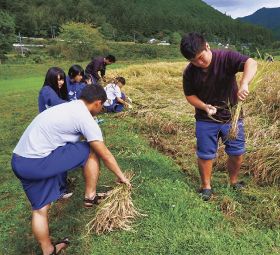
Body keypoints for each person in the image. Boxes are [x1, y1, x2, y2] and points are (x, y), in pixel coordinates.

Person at [11, 85, 131, 255]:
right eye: (102, 106)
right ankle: (90, 196)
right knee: (90, 149)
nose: (102, 109)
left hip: (19, 161)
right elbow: (105, 154)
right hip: (37, 162)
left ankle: (48, 251)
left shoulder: (67, 106)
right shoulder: (85, 119)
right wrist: (121, 176)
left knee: (39, 210)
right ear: (97, 103)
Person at [180, 32, 257, 201]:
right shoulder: (190, 72)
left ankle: (233, 180)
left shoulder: (226, 57)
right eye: (193, 61)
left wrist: (244, 84)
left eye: (200, 57)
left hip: (232, 116)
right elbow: (190, 95)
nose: (199, 63)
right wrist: (204, 106)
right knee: (205, 154)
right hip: (205, 118)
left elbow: (251, 62)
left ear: (207, 46)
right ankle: (206, 186)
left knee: (237, 152)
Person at [38, 67, 73, 199]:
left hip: (55, 129)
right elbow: (58, 104)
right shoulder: (47, 90)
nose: (61, 82)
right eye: (58, 79)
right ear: (50, 79)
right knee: (60, 158)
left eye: (62, 79)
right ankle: (59, 191)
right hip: (50, 132)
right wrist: (77, 106)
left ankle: (59, 187)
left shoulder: (56, 90)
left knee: (59, 157)